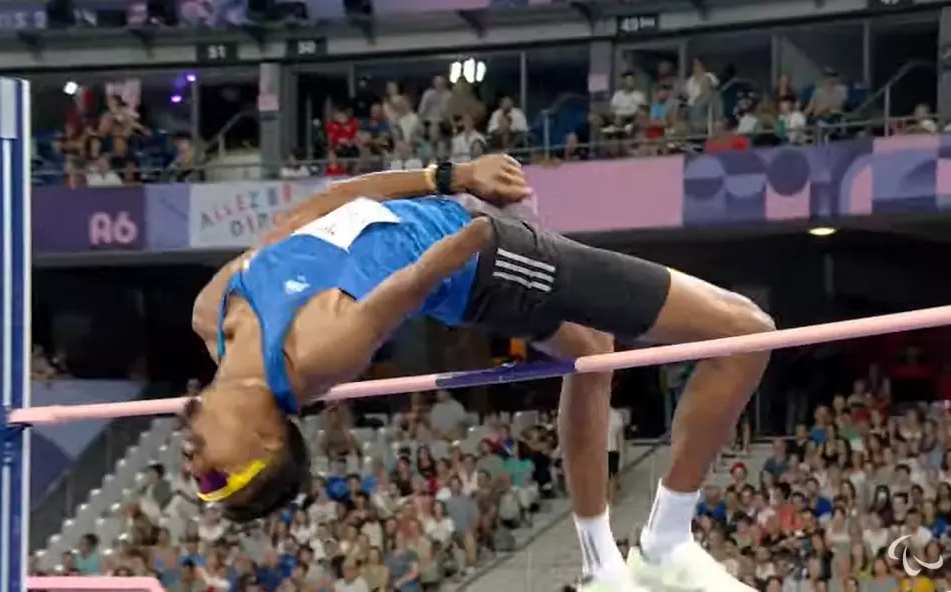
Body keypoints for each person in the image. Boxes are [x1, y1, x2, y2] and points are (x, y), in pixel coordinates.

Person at [184, 154, 774, 592]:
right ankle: (666, 541)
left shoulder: (212, 315)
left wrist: (453, 174)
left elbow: (325, 205)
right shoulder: (313, 356)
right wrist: (490, 220)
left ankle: (603, 568)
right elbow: (413, 281)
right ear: (265, 440)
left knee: (593, 352)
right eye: (215, 478)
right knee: (746, 331)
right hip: (487, 256)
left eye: (201, 480)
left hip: (459, 249)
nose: (195, 466)